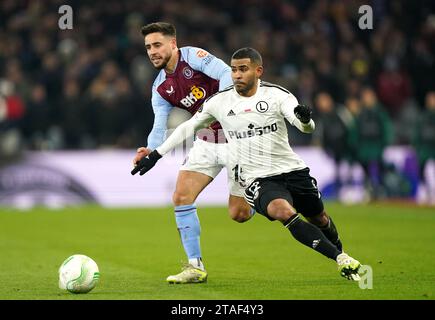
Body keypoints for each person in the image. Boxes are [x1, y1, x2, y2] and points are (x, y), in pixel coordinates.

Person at [132, 47, 362, 281]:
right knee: (283, 211)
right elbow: (187, 127)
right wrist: (156, 154)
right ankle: (340, 259)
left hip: (292, 170)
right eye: (233, 70)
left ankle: (344, 255)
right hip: (259, 178)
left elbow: (303, 125)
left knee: (318, 218)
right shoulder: (220, 101)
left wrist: (305, 120)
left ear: (258, 71)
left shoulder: (277, 95)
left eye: (243, 69)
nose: (237, 75)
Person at [132, 22, 253, 284]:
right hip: (207, 140)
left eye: (157, 45)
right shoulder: (160, 88)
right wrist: (150, 148)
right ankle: (195, 266)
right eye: (148, 47)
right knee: (181, 195)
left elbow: (225, 74)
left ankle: (264, 194)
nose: (152, 51)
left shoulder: (194, 57)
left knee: (239, 214)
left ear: (173, 44)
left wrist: (209, 110)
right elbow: (159, 125)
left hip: (238, 138)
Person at [413, 91, 435, 204]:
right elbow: (417, 134)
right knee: (425, 173)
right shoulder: (422, 117)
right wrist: (417, 148)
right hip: (425, 151)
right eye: (430, 100)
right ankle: (424, 194)